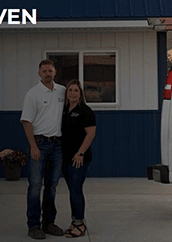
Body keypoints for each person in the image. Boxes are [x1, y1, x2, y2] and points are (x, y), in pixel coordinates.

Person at [20, 59, 66, 240]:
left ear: (55, 72)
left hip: (58, 146)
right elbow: (26, 121)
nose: (47, 73)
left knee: (52, 186)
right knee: (35, 186)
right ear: (39, 73)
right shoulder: (33, 94)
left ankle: (49, 223)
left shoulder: (62, 91)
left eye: (50, 70)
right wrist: (33, 146)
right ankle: (33, 226)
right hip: (39, 144)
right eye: (44, 71)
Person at [61, 80, 96, 238]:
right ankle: (74, 221)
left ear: (80, 94)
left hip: (79, 158)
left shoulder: (86, 111)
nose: (73, 93)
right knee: (72, 190)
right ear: (66, 94)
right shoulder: (64, 110)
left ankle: (79, 223)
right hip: (66, 157)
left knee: (76, 189)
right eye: (70, 90)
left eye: (76, 90)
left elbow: (91, 134)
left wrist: (80, 153)